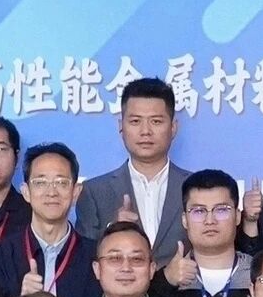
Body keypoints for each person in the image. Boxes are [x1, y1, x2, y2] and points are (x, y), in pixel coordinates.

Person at [74, 77, 196, 260]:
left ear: (173, 127)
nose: (145, 131)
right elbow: (83, 260)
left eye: (156, 121)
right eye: (135, 121)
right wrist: (112, 230)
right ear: (121, 127)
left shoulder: (195, 189)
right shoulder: (94, 192)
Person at [0, 144, 100, 297]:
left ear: (75, 192)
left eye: (61, 182)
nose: (51, 192)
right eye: (40, 183)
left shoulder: (96, 255)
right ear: (26, 192)